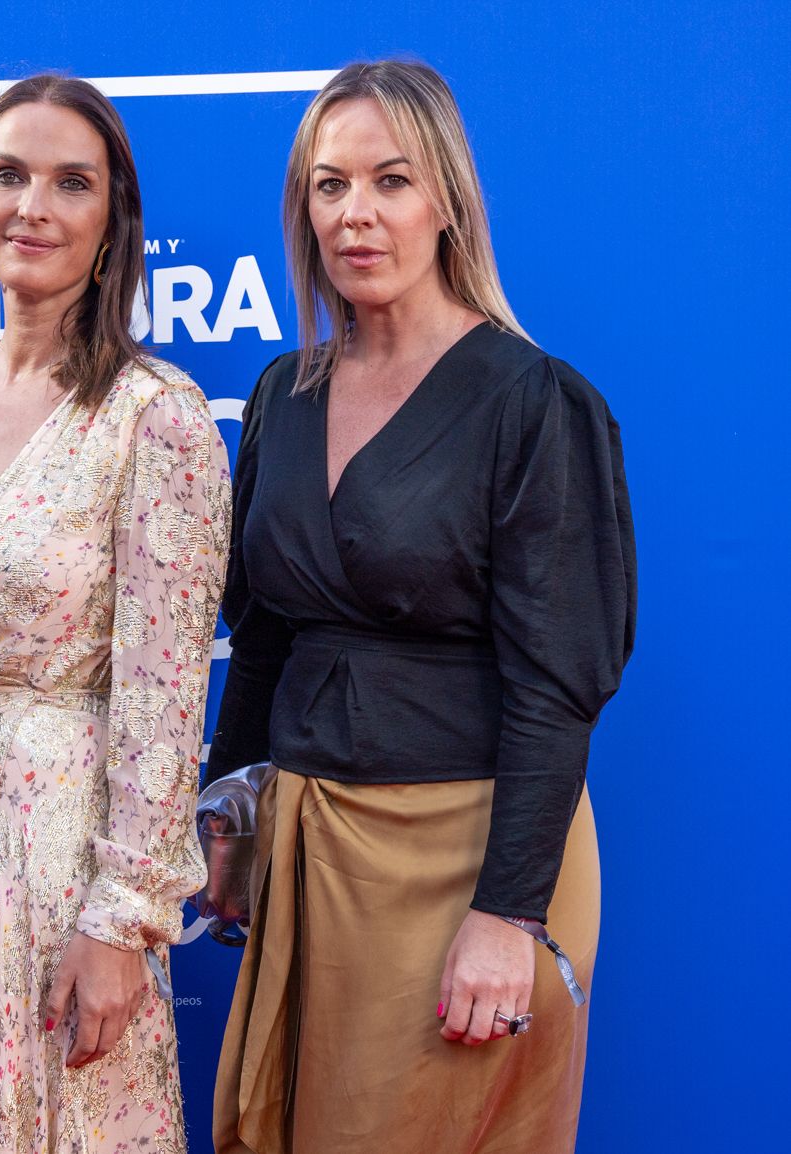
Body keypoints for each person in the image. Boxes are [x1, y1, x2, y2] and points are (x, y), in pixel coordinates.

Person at [209, 60, 635, 1153]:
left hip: (471, 854)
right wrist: (235, 813)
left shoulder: (536, 402)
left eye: (390, 181)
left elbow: (558, 683)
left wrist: (509, 913)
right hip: (311, 841)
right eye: (328, 184)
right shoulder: (281, 394)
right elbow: (258, 640)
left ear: (446, 198)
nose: (356, 215)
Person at [0, 75, 231, 1153]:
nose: (36, 206)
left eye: (74, 183)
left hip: (53, 864)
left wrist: (122, 920)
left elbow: (163, 698)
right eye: (9, 175)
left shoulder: (156, 417)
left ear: (113, 223)